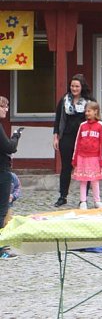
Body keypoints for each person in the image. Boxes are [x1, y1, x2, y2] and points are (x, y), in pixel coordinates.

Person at [52, 74, 92, 207]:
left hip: (84, 138)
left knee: (84, 168)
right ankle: (62, 196)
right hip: (67, 137)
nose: (74, 88)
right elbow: (58, 119)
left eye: (77, 86)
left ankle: (83, 199)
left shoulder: (89, 101)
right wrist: (56, 136)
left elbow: (95, 119)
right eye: (72, 86)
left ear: (82, 87)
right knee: (66, 168)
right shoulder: (64, 100)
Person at [72, 101, 102, 210]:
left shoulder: (100, 125)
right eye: (86, 111)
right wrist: (75, 158)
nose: (87, 113)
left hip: (94, 157)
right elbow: (77, 141)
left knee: (94, 180)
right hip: (82, 157)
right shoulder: (82, 126)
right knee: (83, 180)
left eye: (89, 111)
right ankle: (83, 201)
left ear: (95, 111)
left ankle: (97, 201)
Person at [0, 96, 21, 260]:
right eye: (4, 107)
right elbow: (9, 147)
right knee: (2, 211)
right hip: (2, 171)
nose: (6, 110)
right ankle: (1, 249)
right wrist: (16, 136)